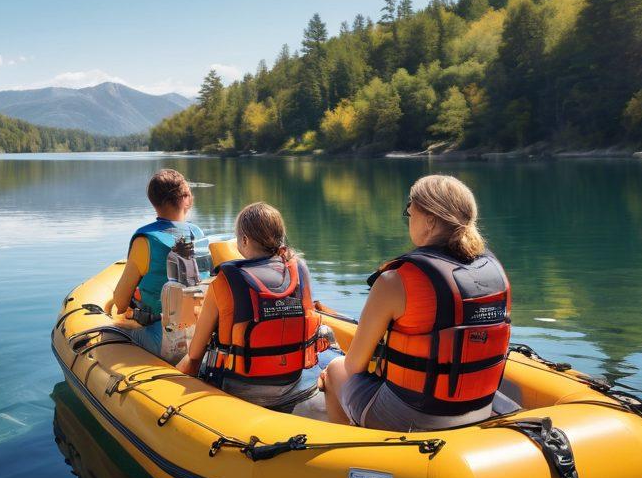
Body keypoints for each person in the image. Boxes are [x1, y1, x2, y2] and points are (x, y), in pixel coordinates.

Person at [321, 174, 512, 431]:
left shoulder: (394, 280)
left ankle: (351, 455)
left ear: (430, 221)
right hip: (480, 409)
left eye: (409, 213)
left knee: (334, 369)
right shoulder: (495, 272)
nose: (408, 219)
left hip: (415, 417)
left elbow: (353, 365)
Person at [177, 202, 322, 410]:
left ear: (244, 240)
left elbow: (195, 355)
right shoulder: (299, 269)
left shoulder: (225, 280)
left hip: (240, 390)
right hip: (292, 381)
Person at [106, 169, 203, 355]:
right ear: (186, 199)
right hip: (201, 336)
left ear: (153, 201)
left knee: (110, 333)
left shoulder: (146, 240)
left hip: (164, 341)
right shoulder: (198, 235)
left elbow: (120, 302)